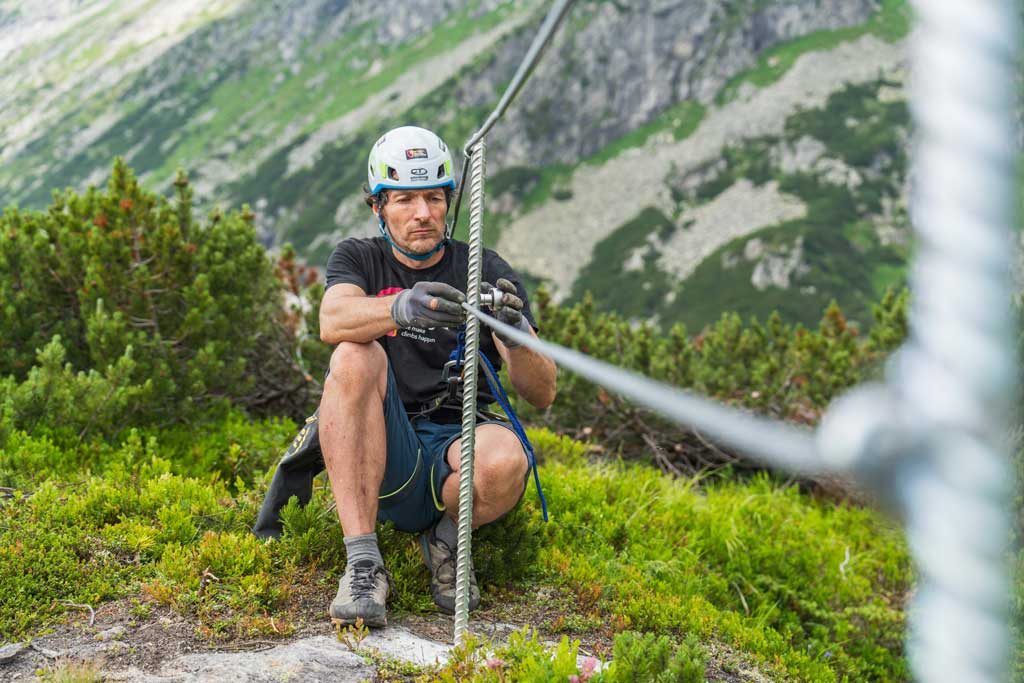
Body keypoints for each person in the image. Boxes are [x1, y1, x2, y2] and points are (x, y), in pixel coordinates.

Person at [320, 125, 557, 628]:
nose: (422, 213)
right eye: (404, 199)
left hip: (458, 436)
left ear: (450, 201)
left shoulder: (483, 268)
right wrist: (399, 308)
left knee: (504, 459)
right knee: (352, 357)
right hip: (387, 444)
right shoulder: (359, 259)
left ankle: (447, 537)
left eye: (433, 197)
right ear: (378, 207)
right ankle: (363, 560)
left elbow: (542, 392)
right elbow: (333, 320)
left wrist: (515, 335)